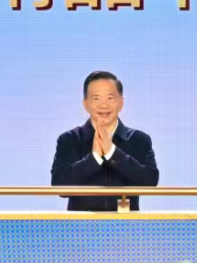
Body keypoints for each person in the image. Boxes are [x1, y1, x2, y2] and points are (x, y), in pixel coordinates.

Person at [51, 70, 157, 212]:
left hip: (126, 224)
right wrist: (94, 159)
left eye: (110, 98)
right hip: (80, 224)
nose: (103, 105)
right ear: (85, 104)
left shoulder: (140, 140)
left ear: (121, 103)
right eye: (96, 98)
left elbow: (150, 182)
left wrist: (112, 153)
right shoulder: (69, 140)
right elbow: (59, 186)